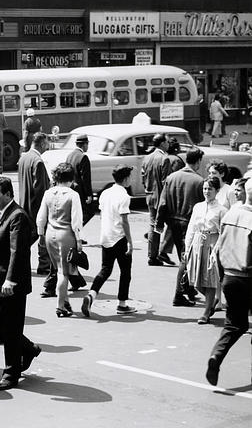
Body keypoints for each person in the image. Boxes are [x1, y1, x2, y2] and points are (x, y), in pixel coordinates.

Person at [0, 176, 41, 390]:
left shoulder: (18, 216)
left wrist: (10, 279)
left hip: (10, 283)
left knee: (11, 326)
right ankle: (28, 349)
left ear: (8, 194)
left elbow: (18, 251)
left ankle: (11, 373)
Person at [204, 185, 252, 387]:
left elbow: (220, 245)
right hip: (248, 275)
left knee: (234, 324)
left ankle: (216, 354)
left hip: (230, 276)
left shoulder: (231, 214)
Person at [85, 165, 137, 316]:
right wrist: (130, 241)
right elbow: (124, 221)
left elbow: (102, 214)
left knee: (105, 269)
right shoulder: (124, 196)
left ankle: (91, 294)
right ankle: (122, 304)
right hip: (119, 237)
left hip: (106, 236)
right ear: (125, 179)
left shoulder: (105, 193)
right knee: (125, 271)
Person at [156, 147, 205, 307]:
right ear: (198, 161)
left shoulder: (172, 177)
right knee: (186, 258)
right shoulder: (199, 181)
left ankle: (188, 288)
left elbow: (163, 202)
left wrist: (159, 223)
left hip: (173, 223)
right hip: (189, 223)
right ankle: (179, 294)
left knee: (183, 256)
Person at [36, 163, 84, 318]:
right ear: (71, 178)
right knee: (64, 272)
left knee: (58, 269)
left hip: (50, 233)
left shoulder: (48, 193)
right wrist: (79, 240)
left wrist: (41, 234)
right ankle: (60, 306)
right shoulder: (73, 195)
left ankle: (65, 301)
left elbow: (41, 217)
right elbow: (76, 220)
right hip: (66, 235)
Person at [185, 177, 228, 325]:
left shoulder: (222, 210)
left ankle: (206, 312)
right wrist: (187, 247)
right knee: (195, 280)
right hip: (197, 242)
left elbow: (223, 232)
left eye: (210, 188)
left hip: (212, 243)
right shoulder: (198, 207)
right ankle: (213, 300)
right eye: (204, 188)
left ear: (217, 190)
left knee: (209, 279)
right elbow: (191, 227)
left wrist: (216, 249)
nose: (206, 191)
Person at [18, 132, 51, 276]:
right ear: (42, 144)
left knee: (27, 238)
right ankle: (44, 264)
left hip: (24, 204)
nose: (48, 146)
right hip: (36, 207)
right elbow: (40, 189)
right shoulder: (38, 162)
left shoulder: (24, 158)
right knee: (41, 235)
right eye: (47, 144)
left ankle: (19, 261)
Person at [142, 133, 174, 266]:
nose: (168, 144)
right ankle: (163, 251)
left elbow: (143, 177)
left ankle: (152, 255)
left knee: (153, 225)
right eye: (167, 142)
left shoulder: (147, 158)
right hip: (161, 198)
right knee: (172, 224)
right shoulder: (164, 159)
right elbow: (167, 182)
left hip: (150, 196)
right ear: (162, 143)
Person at [66, 134, 95, 226]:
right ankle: (76, 230)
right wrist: (89, 195)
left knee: (75, 213)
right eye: (87, 144)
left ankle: (75, 230)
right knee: (89, 212)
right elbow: (86, 178)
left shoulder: (69, 156)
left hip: (70, 189)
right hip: (81, 192)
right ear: (85, 144)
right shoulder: (83, 157)